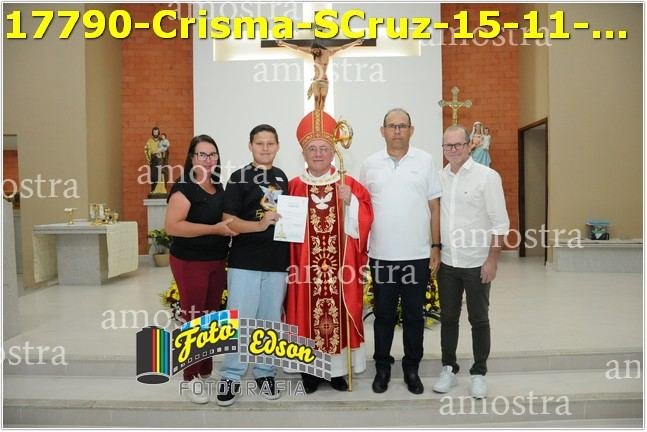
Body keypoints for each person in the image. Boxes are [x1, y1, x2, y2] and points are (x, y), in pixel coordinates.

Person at [285, 109, 373, 393]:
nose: (318, 154)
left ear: (334, 151)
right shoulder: (294, 186)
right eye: (312, 149)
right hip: (305, 273)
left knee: (338, 315)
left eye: (324, 148)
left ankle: (336, 371)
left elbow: (367, 219)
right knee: (305, 314)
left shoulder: (348, 184)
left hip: (340, 271)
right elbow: (284, 233)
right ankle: (310, 371)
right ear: (303, 153)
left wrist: (352, 203)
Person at [359, 108, 442, 395]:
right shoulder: (370, 164)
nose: (397, 131)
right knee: (382, 316)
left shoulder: (425, 161)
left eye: (402, 126)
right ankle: (382, 367)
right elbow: (362, 210)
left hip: (417, 255)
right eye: (392, 126)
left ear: (411, 130)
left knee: (414, 316)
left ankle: (411, 368)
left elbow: (434, 207)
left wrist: (436, 246)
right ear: (382, 131)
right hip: (382, 255)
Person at [432, 125, 509, 399]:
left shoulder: (487, 177)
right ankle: (448, 368)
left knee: (479, 319)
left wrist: (492, 259)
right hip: (448, 263)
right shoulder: (439, 178)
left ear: (469, 146)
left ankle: (479, 373)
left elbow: (500, 222)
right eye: (448, 145)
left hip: (477, 263)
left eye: (458, 144)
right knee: (448, 318)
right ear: (443, 148)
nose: (453, 150)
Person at [216, 124, 290, 407]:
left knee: (269, 322)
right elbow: (228, 221)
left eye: (270, 143)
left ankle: (265, 373)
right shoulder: (239, 177)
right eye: (260, 143)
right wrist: (259, 225)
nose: (265, 148)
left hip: (276, 262)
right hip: (245, 261)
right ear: (250, 146)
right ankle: (231, 375)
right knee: (240, 321)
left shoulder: (282, 177)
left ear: (278, 146)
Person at [164, 134, 238, 404]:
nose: (208, 160)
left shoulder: (217, 186)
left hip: (216, 261)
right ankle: (189, 377)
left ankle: (204, 369)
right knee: (194, 318)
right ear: (192, 158)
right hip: (189, 262)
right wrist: (214, 229)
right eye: (202, 154)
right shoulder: (185, 188)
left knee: (211, 317)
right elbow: (173, 226)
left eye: (212, 154)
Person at [276, 39, 363, 110]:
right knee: (316, 98)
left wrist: (355, 43)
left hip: (324, 81)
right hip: (316, 80)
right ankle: (316, 115)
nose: (315, 53)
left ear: (319, 48)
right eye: (313, 51)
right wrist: (283, 43)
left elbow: (342, 48)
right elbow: (297, 48)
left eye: (316, 51)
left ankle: (322, 115)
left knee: (323, 98)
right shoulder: (312, 52)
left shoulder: (328, 52)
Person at [145, 126, 166, 193]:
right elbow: (146, 150)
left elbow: (165, 150)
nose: (155, 133)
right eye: (154, 132)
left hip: (160, 160)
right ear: (152, 133)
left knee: (160, 174)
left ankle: (161, 190)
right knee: (153, 176)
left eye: (156, 132)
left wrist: (163, 157)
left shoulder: (161, 140)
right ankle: (153, 190)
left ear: (158, 132)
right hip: (153, 159)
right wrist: (149, 159)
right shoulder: (149, 141)